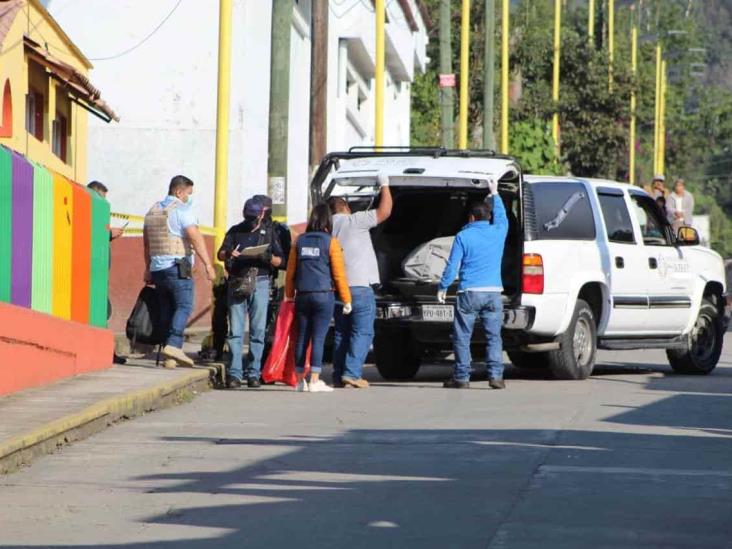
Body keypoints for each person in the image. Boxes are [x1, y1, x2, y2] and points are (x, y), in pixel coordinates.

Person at [437, 179, 508, 389]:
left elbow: (452, 266)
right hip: (494, 292)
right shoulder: (498, 231)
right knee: (494, 337)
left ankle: (462, 378)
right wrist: (495, 193)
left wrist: (443, 286)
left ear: (471, 217)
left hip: (469, 292)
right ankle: (496, 377)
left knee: (462, 336)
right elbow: (502, 217)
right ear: (489, 217)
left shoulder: (463, 236)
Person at [327, 172, 393, 388]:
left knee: (342, 333)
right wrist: (384, 185)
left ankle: (339, 375)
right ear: (345, 207)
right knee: (362, 331)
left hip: (337, 289)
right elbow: (385, 211)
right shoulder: (354, 221)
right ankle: (352, 374)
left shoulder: (326, 228)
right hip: (359, 289)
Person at [143, 175, 216, 368]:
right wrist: (208, 265)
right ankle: (174, 345)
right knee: (183, 306)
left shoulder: (152, 211)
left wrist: (147, 268)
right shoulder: (181, 211)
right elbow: (195, 238)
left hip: (158, 269)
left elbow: (147, 245)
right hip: (176, 267)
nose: (189, 198)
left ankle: (169, 358)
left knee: (167, 309)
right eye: (188, 194)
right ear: (178, 192)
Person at [217, 196, 283, 389]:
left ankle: (254, 373)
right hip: (237, 281)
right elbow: (220, 253)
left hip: (261, 282)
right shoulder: (235, 231)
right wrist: (228, 253)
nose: (251, 222)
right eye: (249, 218)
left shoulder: (269, 233)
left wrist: (267, 257)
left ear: (261, 215)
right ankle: (235, 374)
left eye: (254, 218)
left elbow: (282, 261)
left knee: (258, 331)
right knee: (235, 331)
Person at [285, 204, 352, 393]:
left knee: (302, 338)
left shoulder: (299, 241)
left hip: (303, 295)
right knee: (319, 338)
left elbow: (291, 272)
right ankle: (314, 380)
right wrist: (347, 299)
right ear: (328, 221)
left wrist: (290, 295)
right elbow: (339, 274)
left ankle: (300, 381)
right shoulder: (331, 242)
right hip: (324, 295)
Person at [87, 180, 126, 365]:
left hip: (100, 275)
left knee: (104, 312)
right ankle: (104, 352)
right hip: (91, 276)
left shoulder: (97, 214)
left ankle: (107, 352)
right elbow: (90, 235)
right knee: (101, 312)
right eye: (102, 198)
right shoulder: (88, 212)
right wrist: (110, 234)